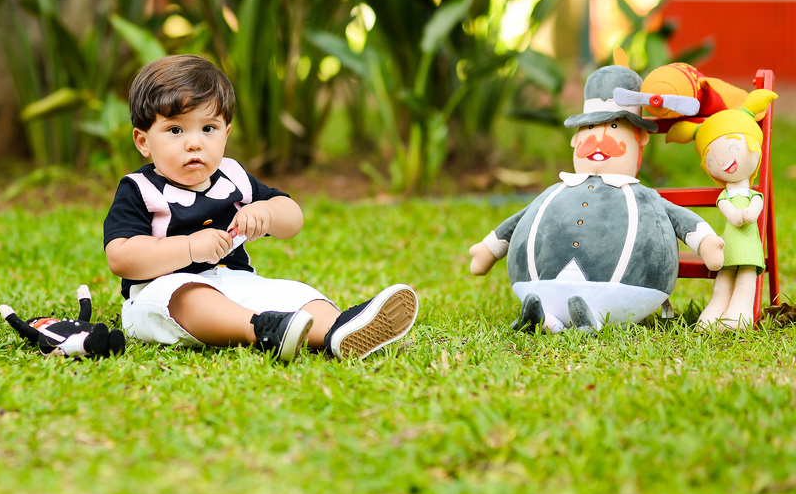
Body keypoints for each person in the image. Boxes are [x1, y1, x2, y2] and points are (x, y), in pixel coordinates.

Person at [104, 55, 418, 363]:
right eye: (176, 130)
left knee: (291, 293)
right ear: (143, 141)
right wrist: (187, 247)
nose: (194, 143)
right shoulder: (139, 189)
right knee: (190, 297)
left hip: (238, 283)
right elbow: (121, 257)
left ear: (226, 134)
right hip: (160, 296)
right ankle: (262, 329)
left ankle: (337, 330)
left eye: (208, 129)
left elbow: (292, 217)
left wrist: (267, 214)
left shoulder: (233, 177)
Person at [468, 63, 725, 332]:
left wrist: (705, 242)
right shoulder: (554, 192)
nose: (600, 139)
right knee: (545, 294)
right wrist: (489, 248)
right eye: (590, 127)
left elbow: (679, 218)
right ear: (575, 139)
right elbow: (519, 220)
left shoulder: (644, 199)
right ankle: (547, 319)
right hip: (537, 282)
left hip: (625, 286)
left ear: (640, 138)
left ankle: (593, 318)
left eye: (614, 126)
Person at [668, 89, 777, 329]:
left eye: (733, 146)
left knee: (747, 279)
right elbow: (726, 207)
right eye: (711, 157)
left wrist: (748, 214)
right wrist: (737, 215)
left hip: (749, 243)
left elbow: (756, 205)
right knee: (724, 280)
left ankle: (739, 317)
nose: (724, 160)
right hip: (730, 241)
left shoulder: (753, 194)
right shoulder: (724, 196)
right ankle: (711, 316)